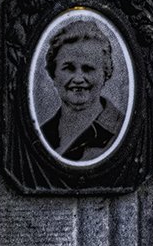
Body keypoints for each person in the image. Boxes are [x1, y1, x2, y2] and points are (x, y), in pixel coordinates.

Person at [38, 18, 126, 162]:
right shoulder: (41, 135)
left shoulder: (122, 131)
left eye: (88, 68)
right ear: (53, 73)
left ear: (105, 73)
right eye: (69, 68)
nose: (78, 79)